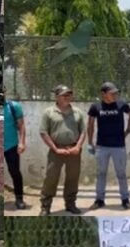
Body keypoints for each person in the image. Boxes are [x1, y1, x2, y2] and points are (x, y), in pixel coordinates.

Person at [39, 84, 86, 216]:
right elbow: (43, 132)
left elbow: (83, 132)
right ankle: (45, 206)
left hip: (74, 150)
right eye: (64, 95)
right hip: (56, 150)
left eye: (69, 94)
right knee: (51, 178)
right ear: (57, 97)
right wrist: (55, 149)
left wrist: (78, 147)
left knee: (73, 178)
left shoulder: (78, 112)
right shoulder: (49, 112)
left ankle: (70, 204)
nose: (67, 97)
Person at [87, 82, 130, 210]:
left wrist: (128, 130)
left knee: (121, 173)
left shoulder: (121, 104)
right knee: (101, 173)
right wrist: (90, 142)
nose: (115, 95)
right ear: (103, 94)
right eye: (112, 93)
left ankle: (125, 199)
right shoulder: (95, 106)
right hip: (101, 146)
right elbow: (90, 125)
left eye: (116, 92)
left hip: (119, 146)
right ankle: (99, 200)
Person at [4, 87, 27, 210]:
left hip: (11, 145)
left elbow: (21, 126)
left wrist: (22, 142)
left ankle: (19, 198)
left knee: (15, 172)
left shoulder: (13, 107)